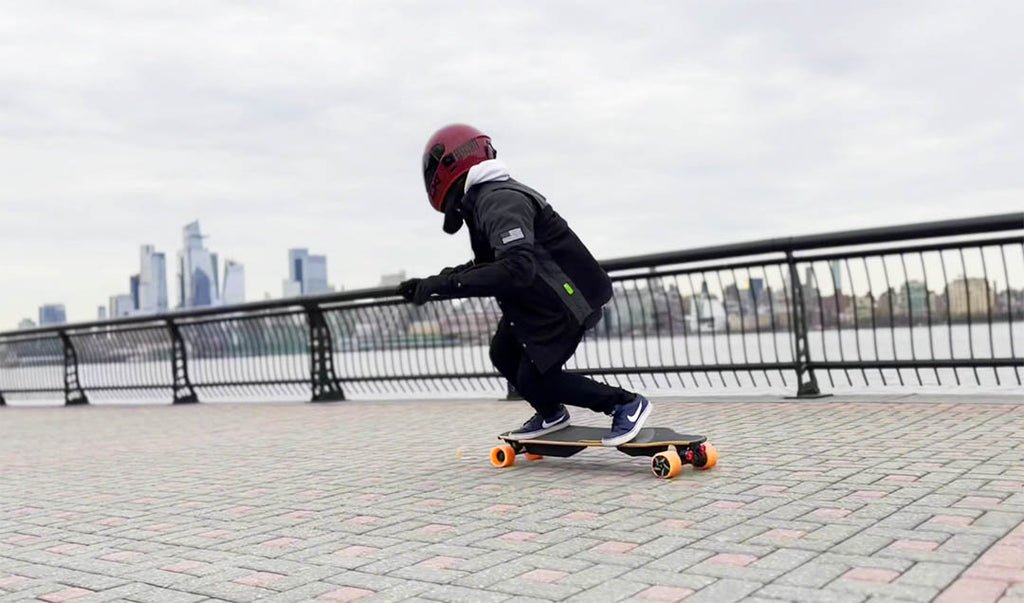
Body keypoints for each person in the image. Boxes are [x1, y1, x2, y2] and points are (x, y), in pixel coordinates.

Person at [398, 124, 651, 446]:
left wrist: (446, 284)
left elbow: (517, 268)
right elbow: (494, 264)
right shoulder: (483, 201)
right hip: (535, 301)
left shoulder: (500, 200)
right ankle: (551, 414)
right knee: (503, 353)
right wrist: (433, 283)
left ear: (449, 166)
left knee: (536, 379)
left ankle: (625, 403)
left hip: (565, 300)